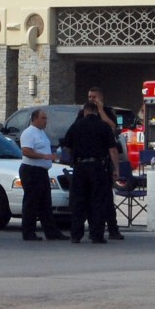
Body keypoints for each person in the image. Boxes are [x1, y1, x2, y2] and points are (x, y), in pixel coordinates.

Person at [62, 102, 119, 243]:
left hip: (80, 167)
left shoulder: (76, 126)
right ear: (96, 112)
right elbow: (112, 150)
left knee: (78, 201)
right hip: (98, 167)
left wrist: (74, 157)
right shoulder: (103, 126)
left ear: (85, 111)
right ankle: (96, 235)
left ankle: (76, 235)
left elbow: (67, 147)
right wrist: (116, 169)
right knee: (97, 201)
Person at [82, 87, 126, 241]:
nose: (91, 99)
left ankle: (113, 229)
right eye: (89, 96)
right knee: (88, 198)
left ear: (101, 97)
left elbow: (112, 127)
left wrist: (100, 110)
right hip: (87, 162)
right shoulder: (84, 112)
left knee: (106, 198)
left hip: (104, 162)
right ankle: (93, 229)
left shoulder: (108, 111)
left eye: (94, 96)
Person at [18, 109, 68, 241]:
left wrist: (52, 156)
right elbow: (26, 151)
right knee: (31, 202)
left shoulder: (41, 133)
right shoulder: (29, 133)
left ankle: (52, 232)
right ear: (35, 119)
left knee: (45, 203)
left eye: (46, 118)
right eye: (43, 118)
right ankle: (28, 232)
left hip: (42, 171)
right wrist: (44, 156)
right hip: (31, 170)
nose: (46, 121)